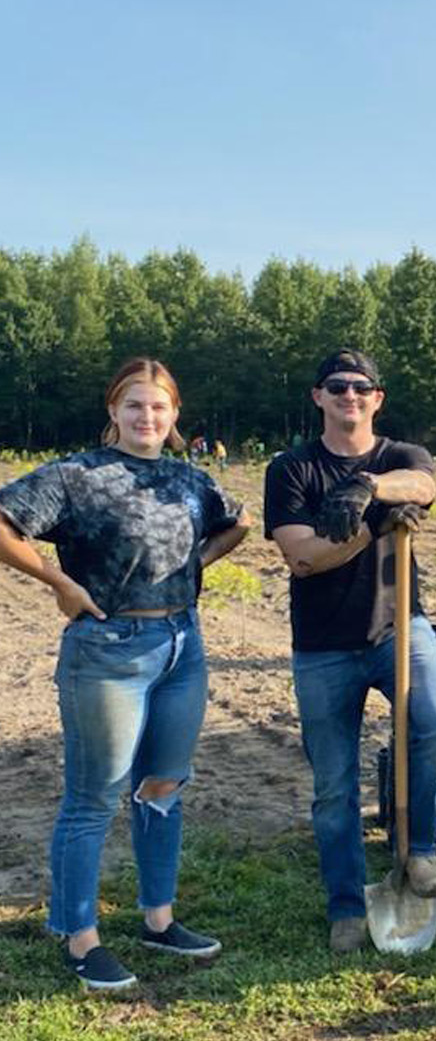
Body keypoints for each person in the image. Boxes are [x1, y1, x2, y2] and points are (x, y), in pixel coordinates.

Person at [0, 359, 249, 991]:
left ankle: (158, 920)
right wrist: (59, 583)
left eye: (159, 408)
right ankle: (78, 935)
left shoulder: (188, 479)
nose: (148, 418)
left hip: (181, 645)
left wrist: (197, 566)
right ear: (114, 410)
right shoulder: (77, 476)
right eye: (135, 406)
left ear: (174, 416)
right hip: (107, 650)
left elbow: (235, 524)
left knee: (162, 786)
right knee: (95, 797)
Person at [264, 349, 436, 952]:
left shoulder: (397, 456)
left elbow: (424, 485)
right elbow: (303, 556)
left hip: (398, 627)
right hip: (323, 646)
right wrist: (373, 526)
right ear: (318, 396)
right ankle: (346, 905)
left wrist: (367, 487)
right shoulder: (291, 468)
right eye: (337, 387)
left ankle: (421, 851)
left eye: (362, 387)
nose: (350, 396)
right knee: (334, 785)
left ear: (377, 398)